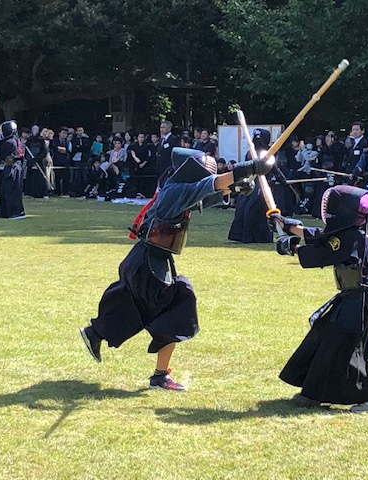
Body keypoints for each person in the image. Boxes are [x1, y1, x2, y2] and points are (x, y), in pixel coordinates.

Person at [79, 148, 272, 389]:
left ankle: (95, 334)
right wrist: (250, 167)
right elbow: (210, 186)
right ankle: (160, 375)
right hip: (148, 265)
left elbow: (207, 195)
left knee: (137, 308)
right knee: (178, 305)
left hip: (146, 261)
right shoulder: (175, 191)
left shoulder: (175, 189)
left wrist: (235, 187)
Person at [272, 185, 368, 413]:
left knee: (349, 347)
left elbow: (324, 251)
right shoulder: (347, 231)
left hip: (360, 298)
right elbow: (321, 235)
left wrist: (294, 248)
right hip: (351, 296)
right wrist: (288, 225)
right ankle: (313, 393)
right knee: (325, 339)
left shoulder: (352, 238)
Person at [228, 128, 274, 243]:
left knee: (253, 209)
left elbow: (273, 169)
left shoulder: (267, 153)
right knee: (242, 208)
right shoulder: (251, 152)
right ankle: (240, 235)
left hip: (261, 184)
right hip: (251, 183)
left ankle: (257, 236)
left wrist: (282, 181)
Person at [0, 121, 26, 219]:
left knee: (10, 191)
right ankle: (5, 213)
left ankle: (15, 212)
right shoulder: (14, 140)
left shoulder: (9, 142)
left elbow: (0, 156)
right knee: (6, 191)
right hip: (14, 168)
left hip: (12, 169)